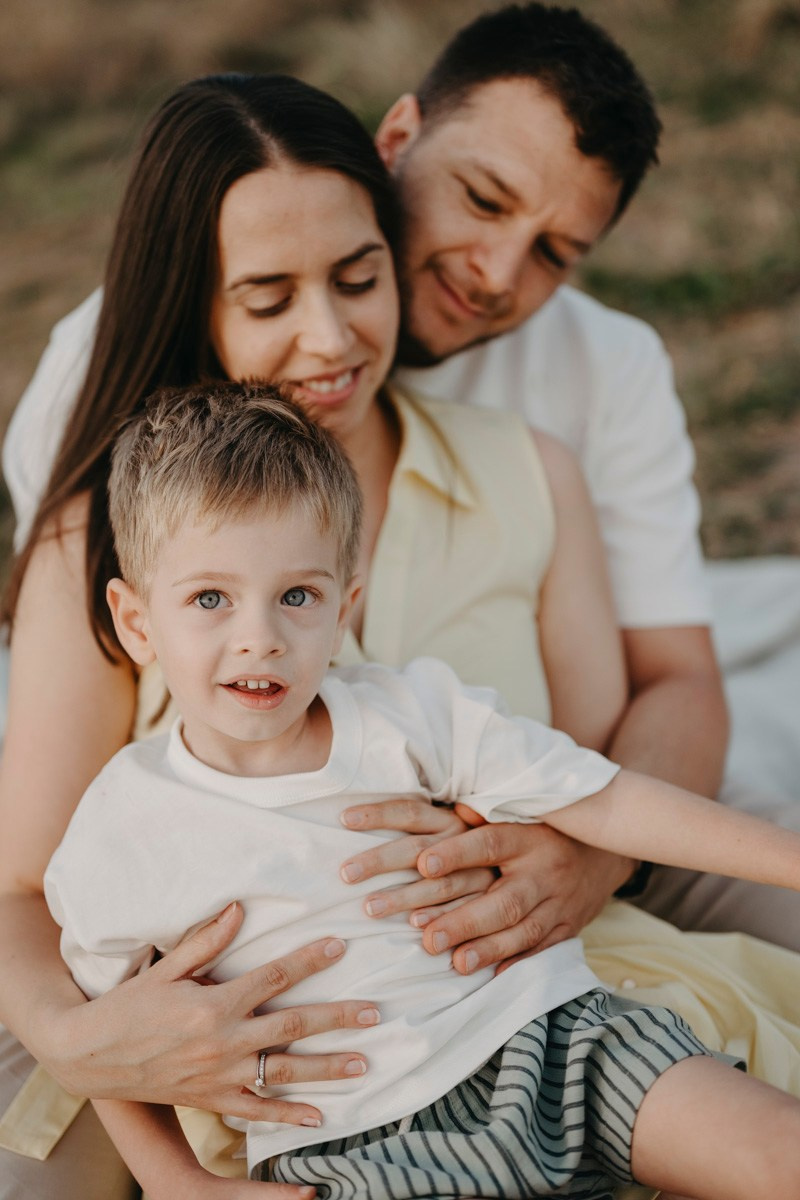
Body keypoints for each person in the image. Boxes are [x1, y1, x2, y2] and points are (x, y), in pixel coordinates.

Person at [2, 65, 800, 1200]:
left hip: (527, 981)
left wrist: (581, 861)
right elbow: (34, 894)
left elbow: (592, 766)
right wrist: (96, 1060)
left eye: (358, 277)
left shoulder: (514, 478)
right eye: (267, 299)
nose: (327, 337)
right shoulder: (108, 542)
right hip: (307, 1077)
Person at [45, 381, 800, 1200]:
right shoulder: (122, 825)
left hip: (555, 1040)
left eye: (297, 596)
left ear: (344, 611)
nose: (258, 637)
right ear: (137, 623)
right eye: (210, 599)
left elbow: (606, 800)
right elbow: (105, 1035)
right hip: (348, 1139)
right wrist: (175, 1182)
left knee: (774, 1151)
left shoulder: (410, 713)